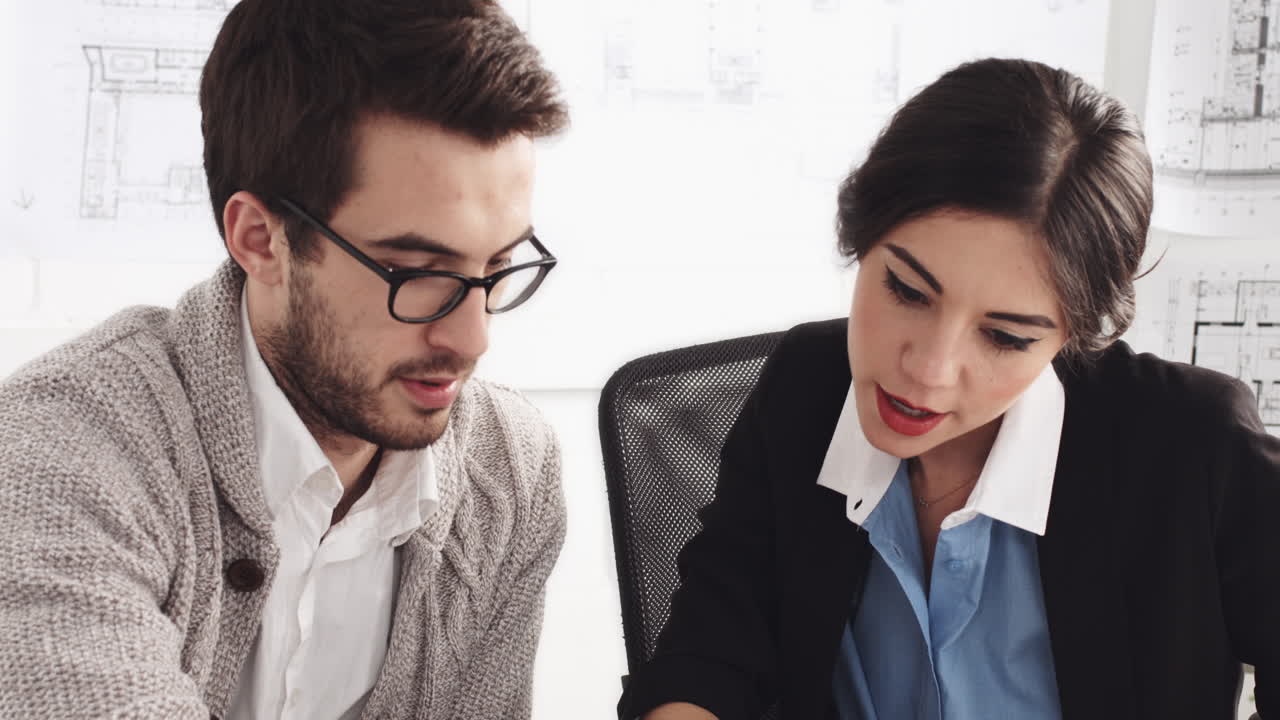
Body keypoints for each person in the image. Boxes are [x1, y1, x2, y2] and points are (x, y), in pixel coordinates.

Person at [618, 58, 1277, 720]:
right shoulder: (803, 390)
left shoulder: (1195, 448)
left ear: (1071, 335)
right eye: (906, 290)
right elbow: (709, 652)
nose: (929, 370)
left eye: (1005, 337)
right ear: (863, 236)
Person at [0, 1, 568, 718]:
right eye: (418, 272)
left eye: (498, 267)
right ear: (261, 240)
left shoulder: (509, 468)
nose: (473, 340)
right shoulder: (57, 455)